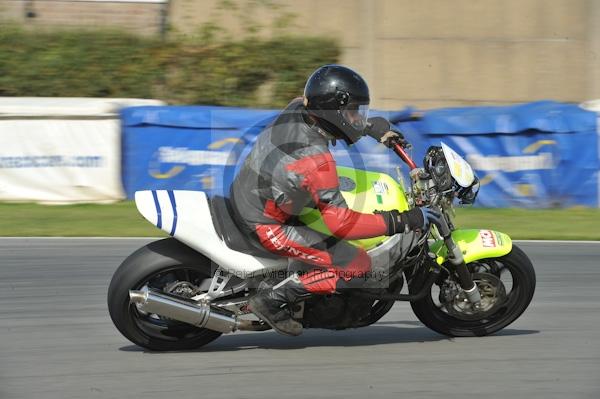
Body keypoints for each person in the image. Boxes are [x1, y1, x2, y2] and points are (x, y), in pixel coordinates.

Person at [230, 65, 441, 336]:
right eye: (354, 111)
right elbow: (343, 225)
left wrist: (371, 128)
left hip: (257, 195)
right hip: (265, 223)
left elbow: (336, 120)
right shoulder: (315, 159)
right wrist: (402, 219)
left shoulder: (298, 108)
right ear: (334, 111)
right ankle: (274, 300)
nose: (356, 117)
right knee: (358, 265)